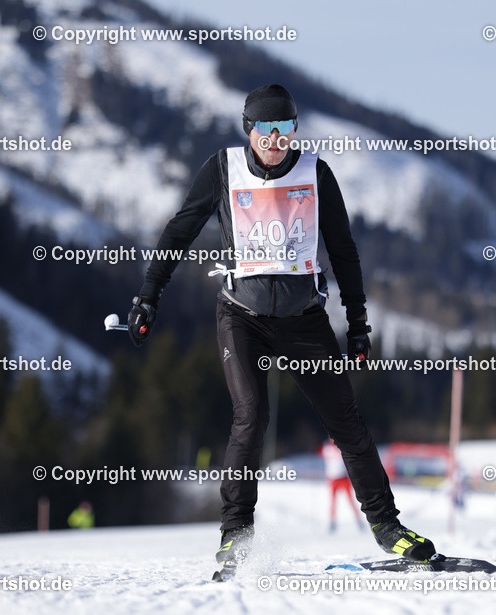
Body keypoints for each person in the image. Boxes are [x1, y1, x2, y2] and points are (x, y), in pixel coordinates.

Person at [126, 84, 435, 573]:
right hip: (241, 315)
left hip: (303, 319)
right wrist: (148, 295)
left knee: (347, 425)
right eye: (265, 129)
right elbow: (178, 231)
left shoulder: (316, 173)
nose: (275, 139)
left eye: (285, 128)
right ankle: (235, 534)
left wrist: (358, 323)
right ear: (248, 130)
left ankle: (386, 527)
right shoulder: (222, 169)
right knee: (251, 417)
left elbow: (344, 250)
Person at [321, 439, 362, 532]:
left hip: (343, 477)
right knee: (333, 502)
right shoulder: (327, 447)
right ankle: (332, 522)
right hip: (333, 478)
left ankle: (359, 520)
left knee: (351, 500)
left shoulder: (340, 446)